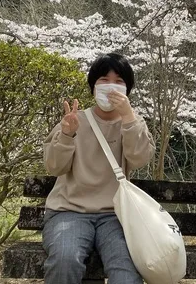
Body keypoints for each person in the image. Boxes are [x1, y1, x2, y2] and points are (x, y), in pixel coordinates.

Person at [42, 53, 155, 284]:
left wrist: (128, 118)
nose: (111, 86)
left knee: (127, 269)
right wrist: (66, 135)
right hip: (68, 212)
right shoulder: (74, 120)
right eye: (104, 79)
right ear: (93, 87)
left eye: (119, 81)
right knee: (65, 260)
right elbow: (54, 167)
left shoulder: (133, 123)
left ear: (128, 89)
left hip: (116, 216)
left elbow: (140, 158)